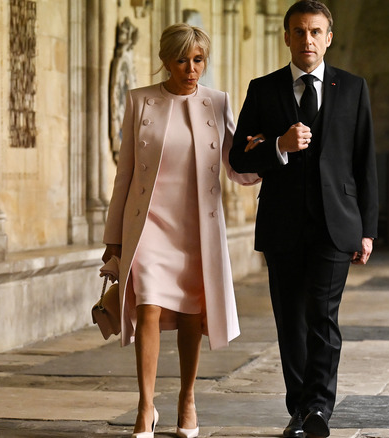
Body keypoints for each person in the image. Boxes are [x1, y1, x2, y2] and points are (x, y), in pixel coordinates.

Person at [101, 23, 259, 438]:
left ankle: (187, 399)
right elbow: (124, 174)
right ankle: (145, 406)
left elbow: (236, 167)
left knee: (191, 315)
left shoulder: (216, 102)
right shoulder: (139, 101)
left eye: (198, 60)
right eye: (182, 60)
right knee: (148, 307)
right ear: (165, 61)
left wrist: (266, 153)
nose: (191, 69)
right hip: (148, 225)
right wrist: (113, 239)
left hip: (196, 228)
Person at [228, 1, 378, 437]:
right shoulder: (263, 89)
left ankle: (318, 408)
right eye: (299, 31)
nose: (307, 39)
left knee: (322, 316)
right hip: (282, 223)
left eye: (315, 32)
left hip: (336, 223)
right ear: (287, 37)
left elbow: (364, 162)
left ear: (328, 38)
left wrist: (367, 230)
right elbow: (239, 156)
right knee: (290, 320)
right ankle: (299, 408)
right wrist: (278, 144)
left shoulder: (353, 88)